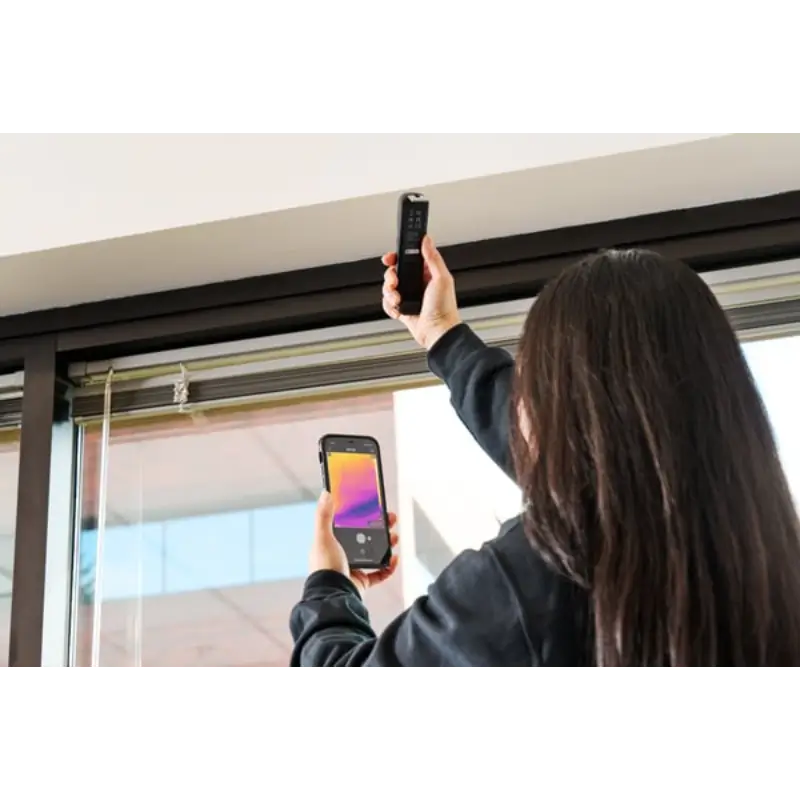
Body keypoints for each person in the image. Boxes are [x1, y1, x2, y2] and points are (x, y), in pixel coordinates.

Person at [289, 236, 800, 671]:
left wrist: (328, 588)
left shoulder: (530, 577)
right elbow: (584, 462)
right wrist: (442, 336)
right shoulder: (762, 552)